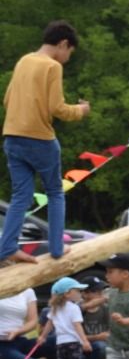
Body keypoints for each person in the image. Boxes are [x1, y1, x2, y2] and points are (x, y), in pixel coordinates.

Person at [1, 21, 89, 265]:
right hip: (39, 138)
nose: (67, 58)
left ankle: (7, 247)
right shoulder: (52, 66)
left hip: (11, 136)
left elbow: (8, 99)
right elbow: (57, 108)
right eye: (69, 52)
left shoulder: (24, 61)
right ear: (63, 44)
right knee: (55, 191)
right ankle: (58, 247)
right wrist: (81, 110)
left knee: (21, 195)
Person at [46, 276, 91, 359]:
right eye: (77, 291)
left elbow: (49, 323)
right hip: (73, 342)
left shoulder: (55, 308)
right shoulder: (74, 308)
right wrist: (85, 341)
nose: (80, 293)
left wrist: (43, 336)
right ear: (67, 294)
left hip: (60, 342)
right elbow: (77, 326)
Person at [0, 285, 44, 359]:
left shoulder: (28, 291)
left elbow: (33, 321)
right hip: (2, 344)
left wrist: (18, 332)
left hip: (20, 340)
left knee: (55, 341)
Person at [79, 275, 109, 359]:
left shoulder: (105, 308)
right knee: (100, 346)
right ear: (85, 293)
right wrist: (97, 337)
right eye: (97, 291)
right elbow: (77, 336)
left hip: (102, 344)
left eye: (101, 290)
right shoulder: (77, 309)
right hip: (83, 345)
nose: (101, 293)